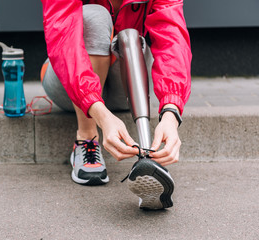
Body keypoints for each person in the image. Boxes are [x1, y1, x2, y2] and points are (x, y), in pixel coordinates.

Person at [40, 0, 191, 209]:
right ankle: (86, 138)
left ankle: (147, 156)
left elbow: (172, 38)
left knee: (130, 37)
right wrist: (101, 114)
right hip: (69, 87)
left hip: (124, 84)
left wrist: (171, 113)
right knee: (95, 15)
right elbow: (63, 38)